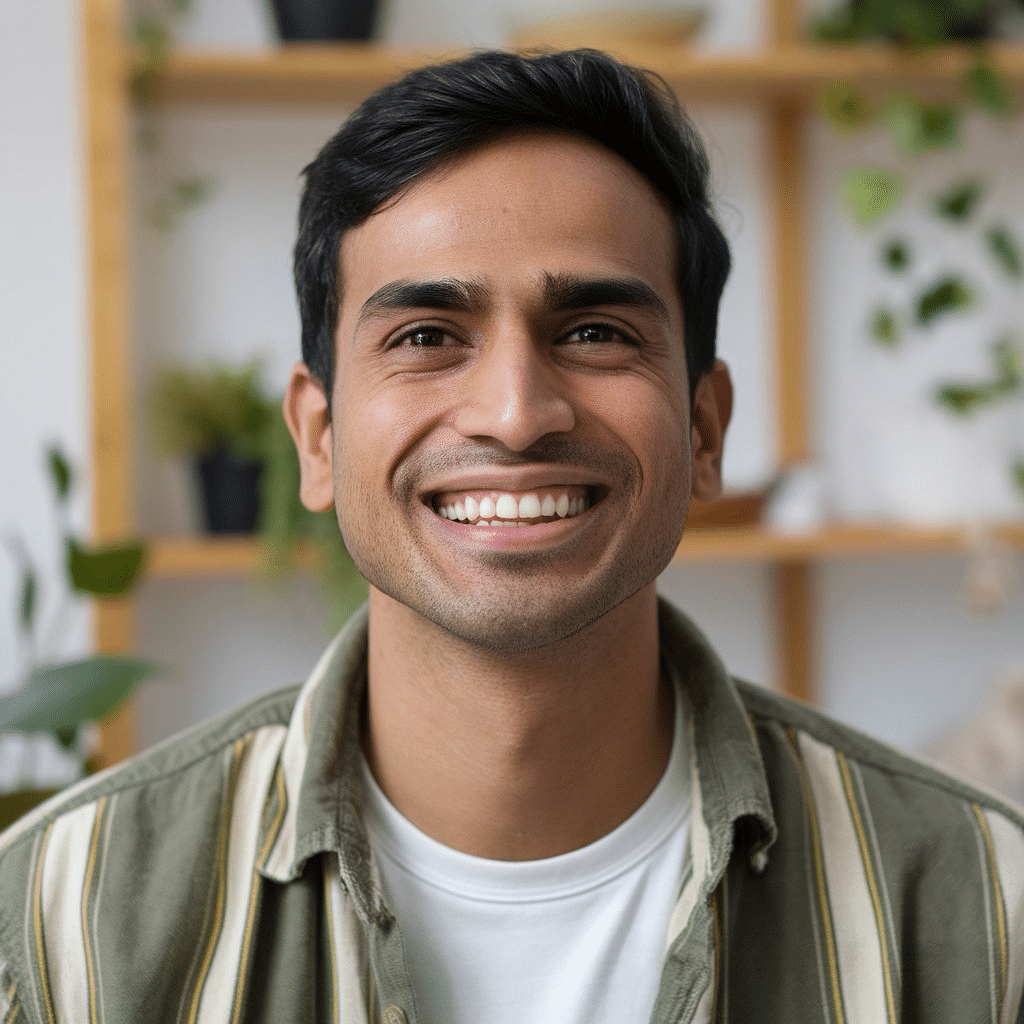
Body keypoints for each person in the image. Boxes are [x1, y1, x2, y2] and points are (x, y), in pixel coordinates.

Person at [1, 48, 1022, 1024]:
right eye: (425, 336)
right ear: (317, 439)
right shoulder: (60, 919)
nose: (516, 412)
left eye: (595, 332)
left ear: (705, 430)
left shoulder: (985, 905)